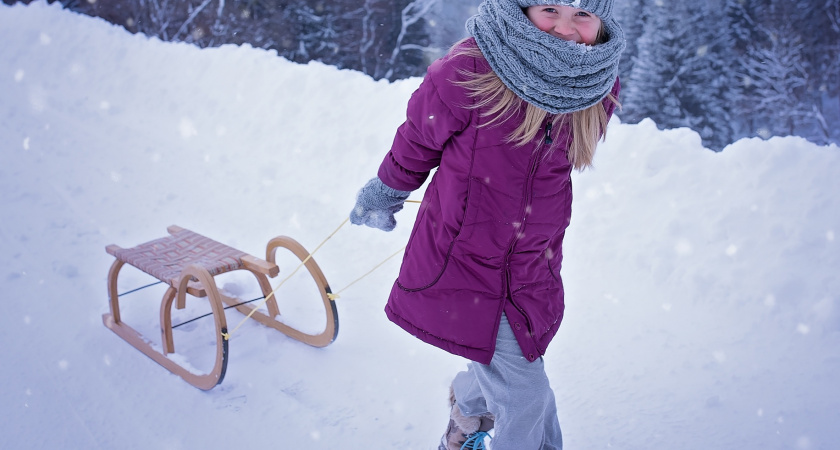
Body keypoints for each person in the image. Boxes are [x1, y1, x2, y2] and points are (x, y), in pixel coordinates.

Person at [349, 1, 625, 448]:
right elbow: (418, 142)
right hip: (466, 256)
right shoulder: (468, 71)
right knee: (525, 393)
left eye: (583, 16)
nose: (565, 29)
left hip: (534, 257)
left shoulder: (596, 86)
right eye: (551, 8)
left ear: (603, 23)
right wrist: (386, 192)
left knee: (516, 356)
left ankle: (469, 405)